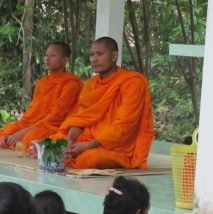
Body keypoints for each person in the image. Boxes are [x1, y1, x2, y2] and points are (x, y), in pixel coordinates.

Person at [52, 37, 155, 169]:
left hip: (117, 149)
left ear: (114, 56)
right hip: (87, 141)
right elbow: (81, 119)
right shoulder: (91, 84)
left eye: (99, 54)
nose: (94, 59)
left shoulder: (132, 83)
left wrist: (89, 145)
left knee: (88, 159)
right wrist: (70, 139)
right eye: (91, 54)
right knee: (51, 146)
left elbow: (124, 126)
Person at [0, 43, 84, 149]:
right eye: (46, 55)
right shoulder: (42, 82)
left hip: (53, 126)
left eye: (53, 55)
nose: (47, 58)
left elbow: (56, 116)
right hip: (34, 123)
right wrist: (16, 130)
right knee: (2, 133)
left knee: (30, 139)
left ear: (65, 60)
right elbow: (32, 112)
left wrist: (23, 132)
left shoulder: (71, 84)